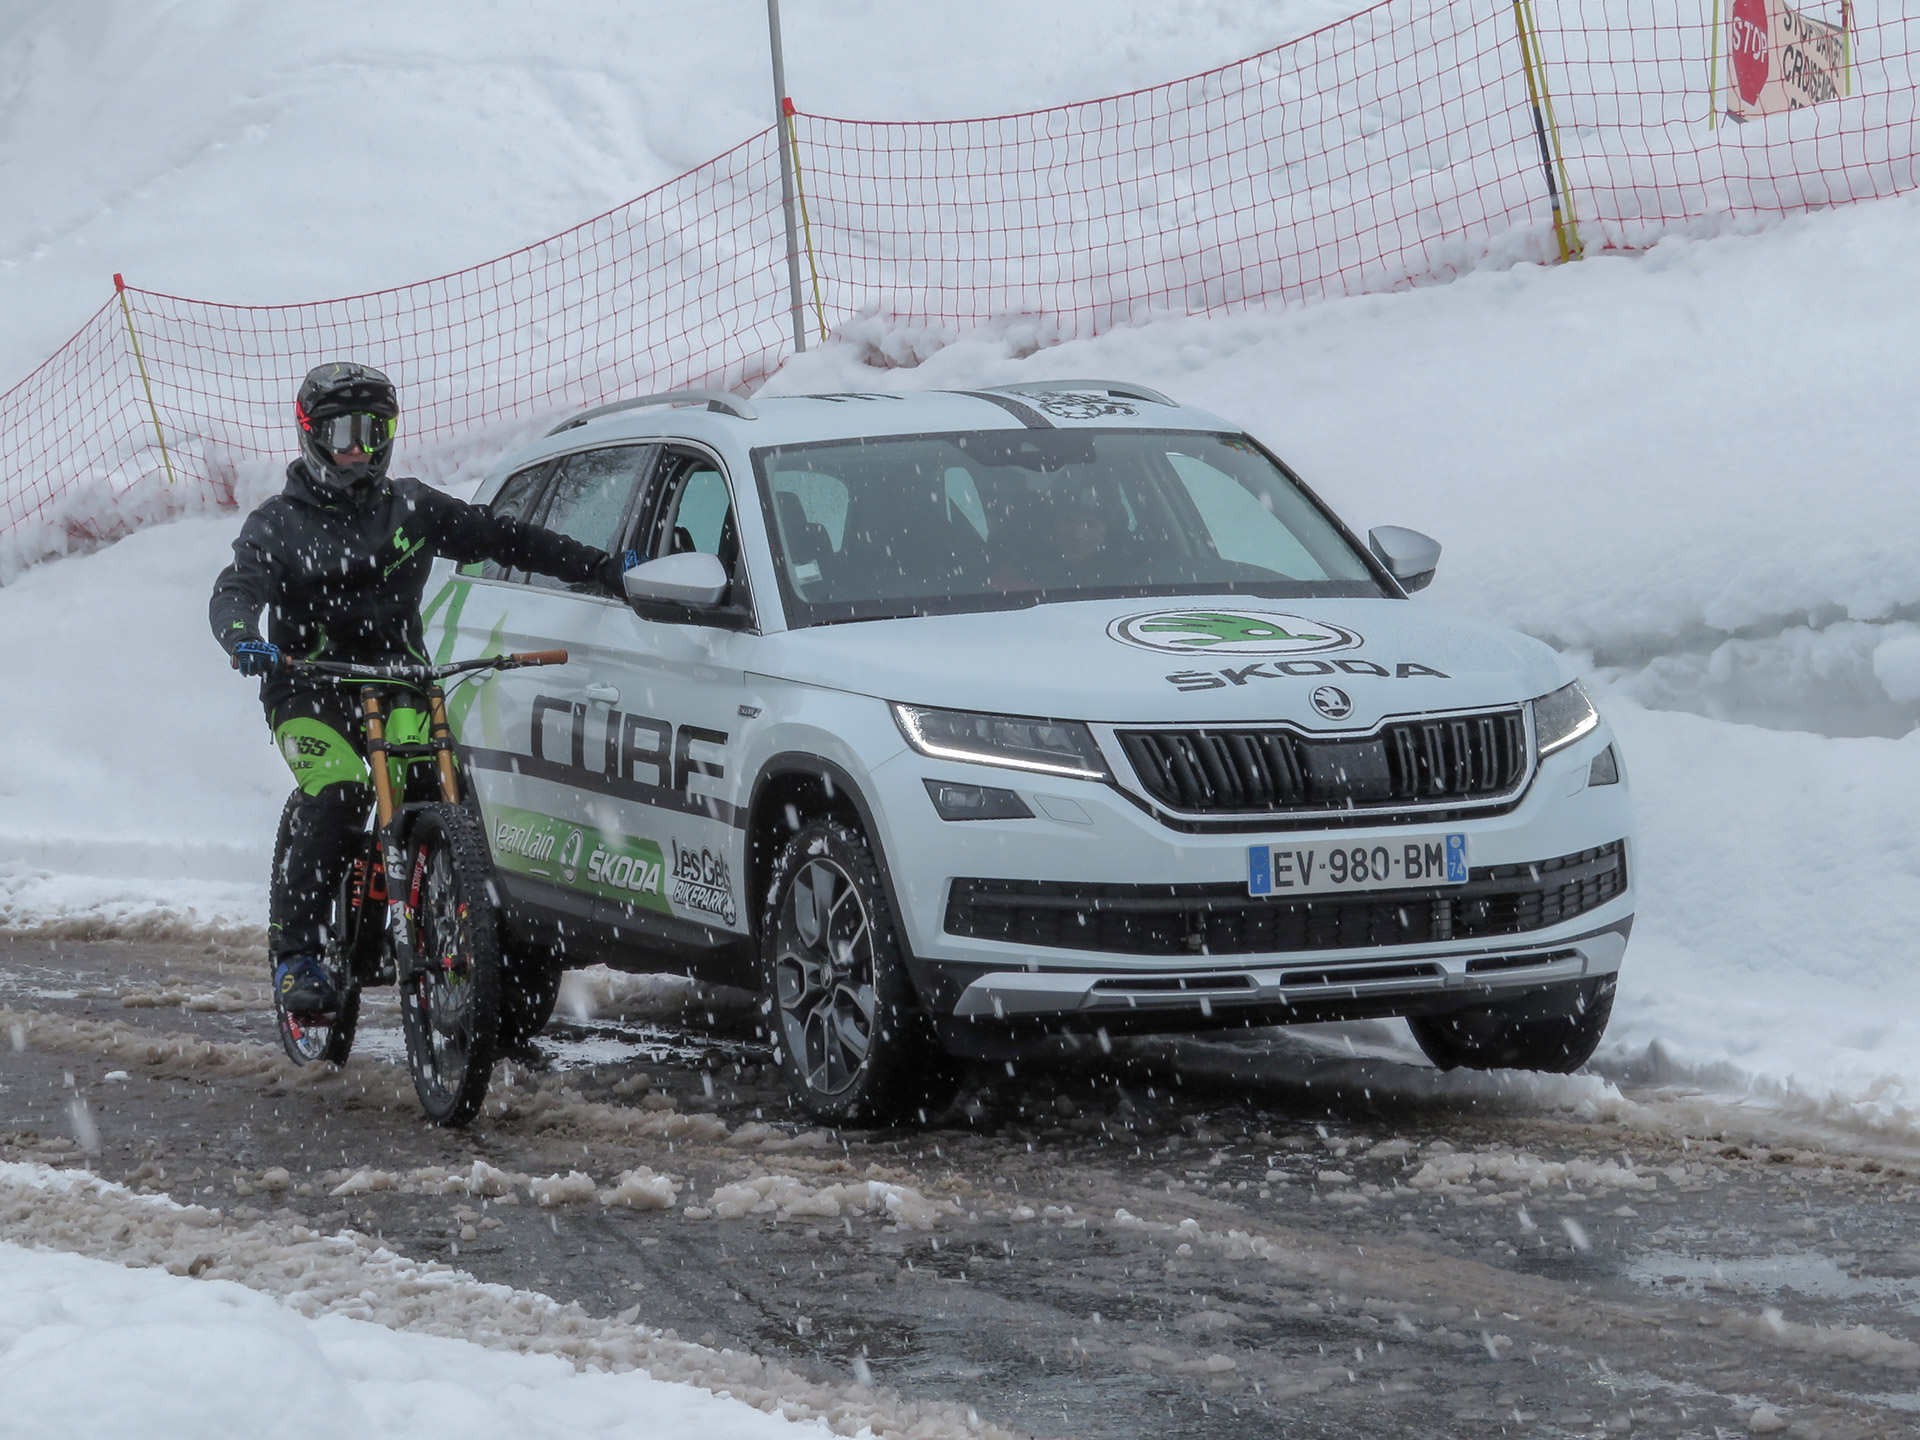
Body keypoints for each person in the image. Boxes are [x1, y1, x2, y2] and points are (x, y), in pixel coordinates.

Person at [210, 361, 632, 1015]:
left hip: (402, 684)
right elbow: (238, 588)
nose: (357, 448)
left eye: (372, 432)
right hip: (310, 691)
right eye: (341, 432)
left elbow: (505, 538)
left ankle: (483, 952)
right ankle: (296, 957)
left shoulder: (410, 507)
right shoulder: (278, 523)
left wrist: (601, 568)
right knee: (340, 794)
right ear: (310, 436)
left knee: (442, 793)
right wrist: (243, 637)